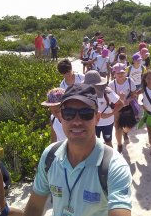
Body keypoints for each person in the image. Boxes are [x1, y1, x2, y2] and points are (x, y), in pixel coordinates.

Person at [23, 83, 132, 216]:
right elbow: (34, 206)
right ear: (61, 118)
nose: (76, 121)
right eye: (68, 114)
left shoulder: (114, 166)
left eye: (86, 114)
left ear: (97, 118)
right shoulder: (50, 156)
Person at [83, 70, 123, 147]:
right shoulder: (85, 93)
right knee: (93, 144)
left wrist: (110, 114)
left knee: (108, 143)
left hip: (107, 123)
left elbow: (121, 104)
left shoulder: (107, 91)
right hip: (92, 123)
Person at [109, 63, 137, 153]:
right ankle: (119, 144)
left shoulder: (130, 81)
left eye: (122, 72)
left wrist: (128, 100)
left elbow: (134, 94)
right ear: (114, 74)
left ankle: (125, 133)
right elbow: (110, 99)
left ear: (125, 72)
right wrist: (119, 99)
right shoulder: (111, 84)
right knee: (117, 127)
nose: (120, 75)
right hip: (117, 107)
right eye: (118, 73)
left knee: (128, 126)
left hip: (128, 106)